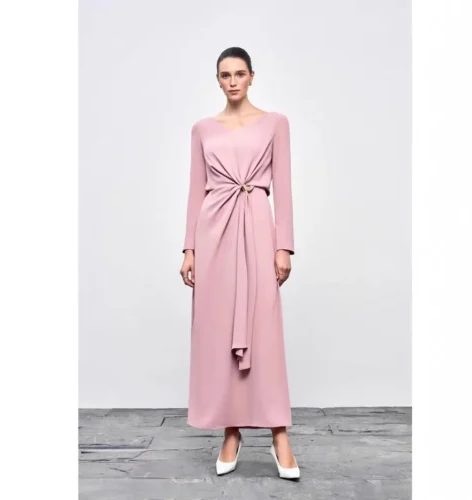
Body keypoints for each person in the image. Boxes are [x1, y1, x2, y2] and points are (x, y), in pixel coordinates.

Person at [180, 46, 300, 480]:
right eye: (224, 75)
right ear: (217, 80)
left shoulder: (275, 123)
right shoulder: (202, 129)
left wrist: (283, 245)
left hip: (257, 227)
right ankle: (231, 433)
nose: (232, 81)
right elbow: (196, 190)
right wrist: (189, 248)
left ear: (252, 76)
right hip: (213, 234)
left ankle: (278, 434)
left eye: (239, 74)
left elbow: (283, 185)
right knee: (218, 334)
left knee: (262, 330)